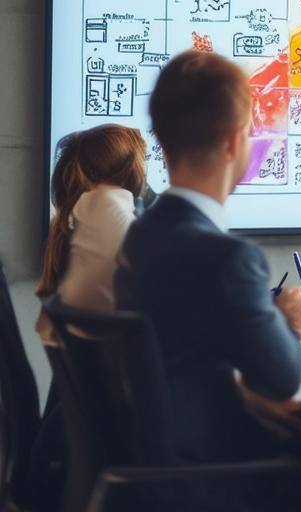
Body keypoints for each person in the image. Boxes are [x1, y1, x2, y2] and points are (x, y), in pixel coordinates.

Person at [115, 51, 301, 463]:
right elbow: (283, 379)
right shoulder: (227, 258)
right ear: (232, 142)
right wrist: (288, 320)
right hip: (224, 479)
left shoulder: (141, 235)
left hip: (162, 468)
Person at [30, 124, 147, 511]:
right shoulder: (123, 238)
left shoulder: (76, 232)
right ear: (132, 173)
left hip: (68, 448)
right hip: (116, 450)